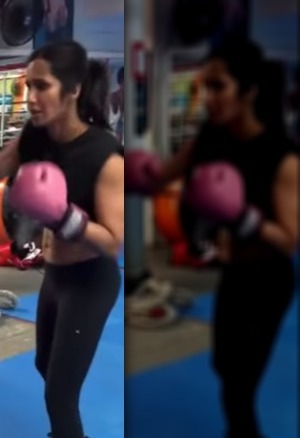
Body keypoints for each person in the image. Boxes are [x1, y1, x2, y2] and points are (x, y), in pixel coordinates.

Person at [0, 41, 124, 438]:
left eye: (42, 86)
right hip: (54, 276)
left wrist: (63, 216)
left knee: (60, 395)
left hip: (90, 282)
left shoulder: (106, 155)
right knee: (44, 365)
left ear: (72, 90)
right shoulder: (33, 139)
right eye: (28, 86)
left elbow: (113, 242)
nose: (31, 98)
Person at [125, 37, 299, 438]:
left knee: (240, 387)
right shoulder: (210, 137)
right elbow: (163, 176)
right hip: (234, 276)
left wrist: (239, 216)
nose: (208, 97)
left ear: (248, 89)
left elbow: (289, 239)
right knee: (224, 368)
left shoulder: (282, 156)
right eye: (204, 86)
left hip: (269, 281)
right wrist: (128, 170)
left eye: (218, 86)